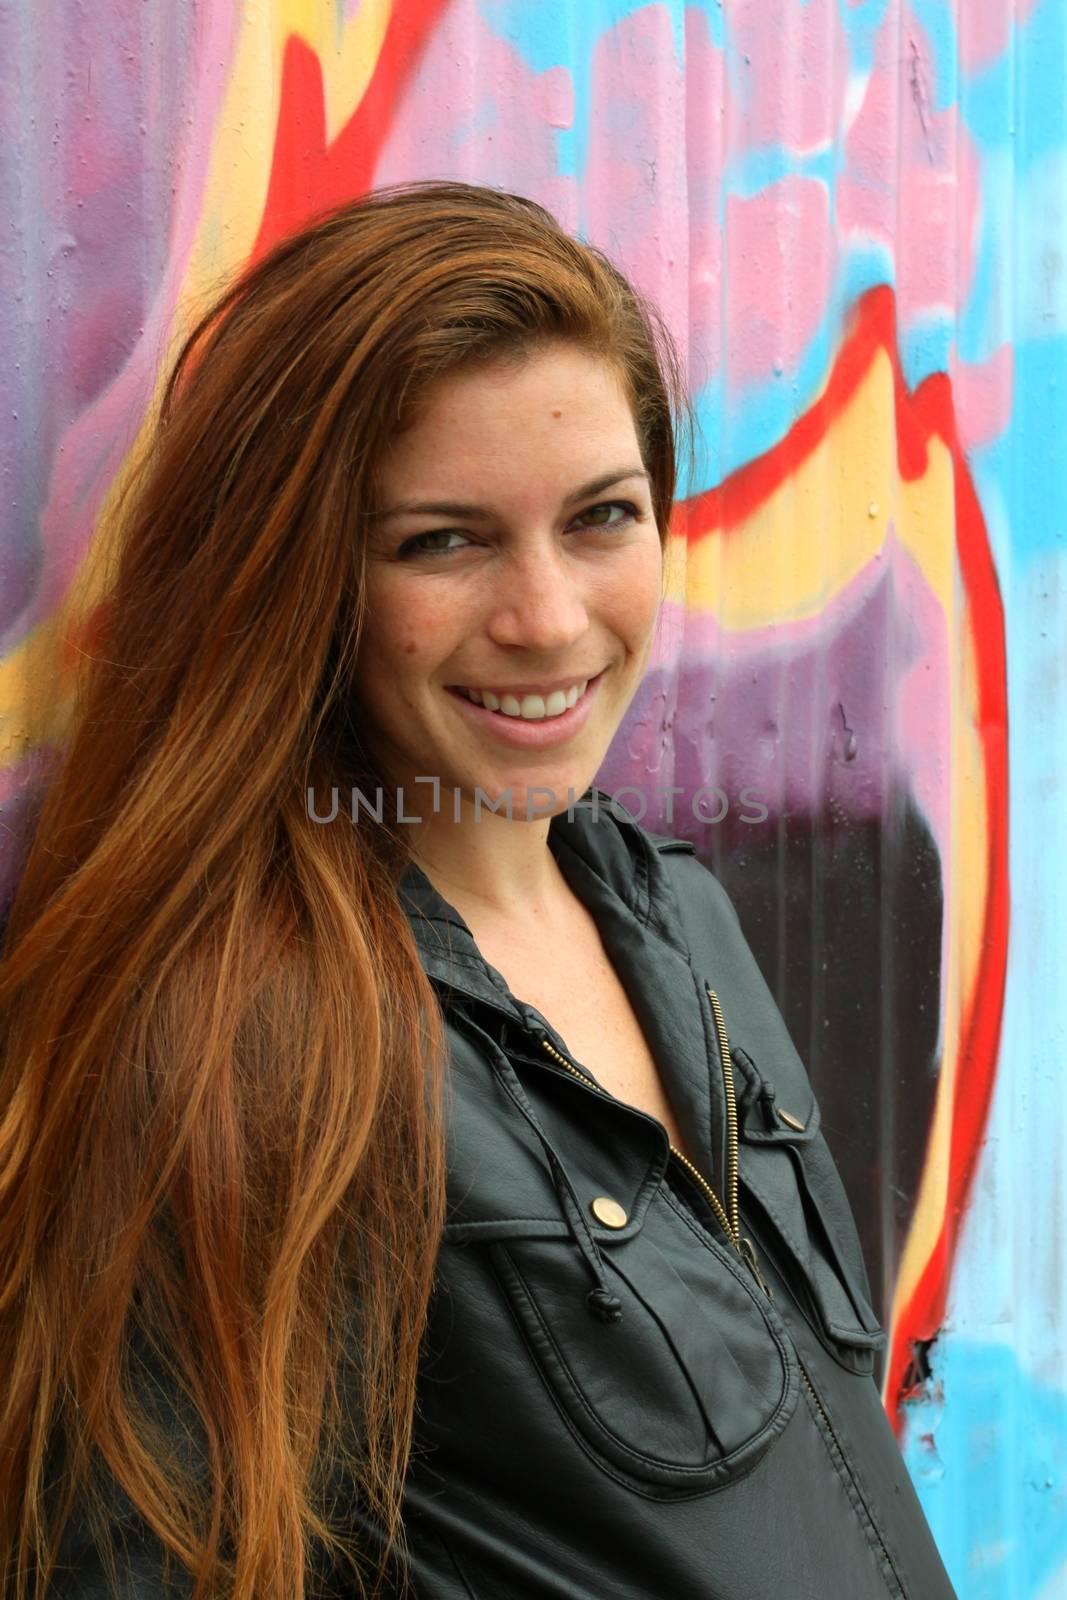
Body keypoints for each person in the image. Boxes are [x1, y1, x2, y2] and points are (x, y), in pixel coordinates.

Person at [0, 180, 957, 1600]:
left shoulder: (675, 911)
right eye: (441, 541)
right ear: (306, 576)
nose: (550, 618)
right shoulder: (237, 1036)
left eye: (601, 518)